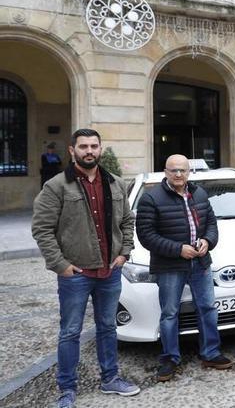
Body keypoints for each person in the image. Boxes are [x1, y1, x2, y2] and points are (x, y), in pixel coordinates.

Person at [32, 129, 140, 408]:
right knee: (70, 332)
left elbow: (128, 221)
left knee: (107, 327)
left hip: (110, 272)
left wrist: (124, 253)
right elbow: (42, 229)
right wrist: (61, 265)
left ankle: (110, 379)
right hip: (76, 275)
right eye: (83, 146)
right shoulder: (56, 186)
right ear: (72, 151)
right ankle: (66, 389)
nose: (89, 151)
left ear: (100, 149)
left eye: (94, 146)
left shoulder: (115, 183)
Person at [136, 154, 232, 382]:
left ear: (189, 172)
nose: (178, 174)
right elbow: (146, 236)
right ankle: (170, 358)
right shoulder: (151, 198)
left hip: (200, 263)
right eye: (173, 170)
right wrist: (178, 249)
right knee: (170, 313)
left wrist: (208, 241)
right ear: (165, 172)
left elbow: (211, 224)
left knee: (207, 308)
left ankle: (211, 353)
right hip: (170, 266)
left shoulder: (198, 193)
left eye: (182, 170)